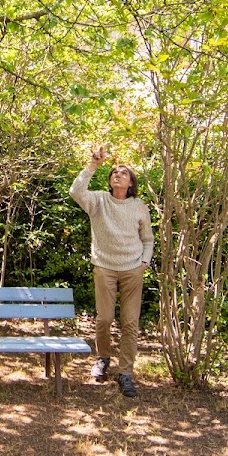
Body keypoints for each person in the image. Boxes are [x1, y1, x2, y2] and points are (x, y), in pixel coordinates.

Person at [69, 146, 154, 396]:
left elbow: (147, 239)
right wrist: (93, 166)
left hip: (132, 270)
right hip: (105, 268)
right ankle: (103, 358)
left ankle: (125, 373)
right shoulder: (98, 201)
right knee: (104, 319)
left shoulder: (139, 206)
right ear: (109, 180)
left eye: (124, 173)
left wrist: (144, 263)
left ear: (131, 183)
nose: (118, 175)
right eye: (115, 172)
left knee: (130, 322)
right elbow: (75, 191)